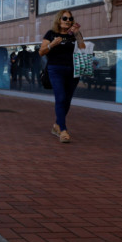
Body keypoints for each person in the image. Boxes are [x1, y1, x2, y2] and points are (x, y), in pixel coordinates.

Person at [39, 9, 86, 143]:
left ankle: (57, 125)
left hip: (73, 70)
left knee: (67, 100)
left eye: (70, 18)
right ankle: (63, 130)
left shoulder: (74, 34)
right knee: (60, 97)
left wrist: (78, 35)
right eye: (65, 18)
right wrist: (52, 44)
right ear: (59, 20)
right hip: (56, 69)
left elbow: (83, 49)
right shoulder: (51, 33)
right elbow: (41, 52)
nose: (68, 21)